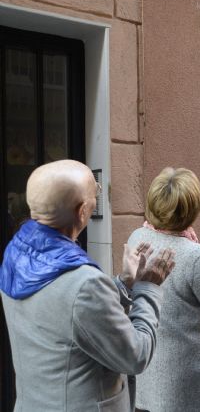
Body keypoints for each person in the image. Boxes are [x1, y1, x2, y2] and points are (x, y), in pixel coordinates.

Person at [0, 159, 175, 412]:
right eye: (96, 192)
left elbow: (66, 312)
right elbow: (136, 355)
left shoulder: (15, 254)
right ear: (82, 211)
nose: (97, 198)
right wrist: (149, 288)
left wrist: (124, 282)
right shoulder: (84, 283)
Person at [129, 167, 200, 412]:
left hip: (149, 371)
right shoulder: (195, 256)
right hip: (187, 381)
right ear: (191, 209)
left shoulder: (138, 237)